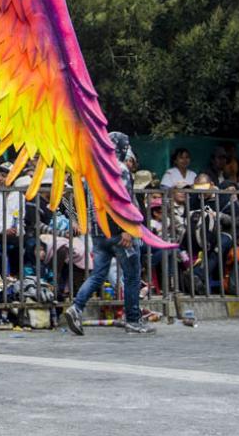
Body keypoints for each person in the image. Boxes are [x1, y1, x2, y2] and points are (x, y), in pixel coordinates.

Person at [65, 132, 154, 335]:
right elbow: (123, 201)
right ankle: (133, 320)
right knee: (132, 276)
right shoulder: (120, 169)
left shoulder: (92, 169)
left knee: (98, 275)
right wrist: (127, 230)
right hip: (119, 233)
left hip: (98, 233)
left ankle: (76, 307)